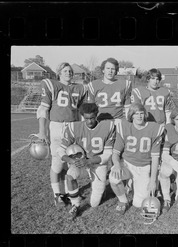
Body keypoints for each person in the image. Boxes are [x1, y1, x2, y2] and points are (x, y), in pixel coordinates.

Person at [36, 62, 88, 207]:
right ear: (59, 72)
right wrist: (42, 131)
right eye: (65, 71)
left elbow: (80, 111)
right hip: (57, 127)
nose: (68, 73)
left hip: (73, 127)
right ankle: (57, 194)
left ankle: (69, 193)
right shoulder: (52, 85)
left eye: (70, 71)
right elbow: (43, 110)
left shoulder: (79, 88)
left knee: (69, 163)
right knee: (57, 164)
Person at [57, 103, 115, 218]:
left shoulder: (107, 127)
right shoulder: (75, 127)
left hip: (98, 163)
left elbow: (108, 154)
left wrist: (89, 161)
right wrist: (71, 160)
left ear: (96, 115)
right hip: (80, 162)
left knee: (94, 203)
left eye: (92, 118)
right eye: (86, 118)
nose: (89, 121)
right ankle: (75, 204)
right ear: (82, 116)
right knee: (70, 176)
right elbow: (60, 150)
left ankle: (100, 192)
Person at [108, 103, 165, 214]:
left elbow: (155, 158)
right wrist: (117, 165)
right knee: (113, 177)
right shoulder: (124, 127)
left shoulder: (154, 129)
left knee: (139, 204)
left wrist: (153, 180)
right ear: (131, 116)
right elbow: (115, 153)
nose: (139, 116)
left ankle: (132, 184)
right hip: (127, 164)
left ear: (145, 115)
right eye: (136, 114)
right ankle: (123, 201)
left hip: (144, 167)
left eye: (141, 113)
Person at [86, 57, 132, 122]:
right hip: (100, 120)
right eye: (108, 68)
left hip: (118, 120)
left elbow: (127, 107)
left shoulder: (124, 84)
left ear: (116, 71)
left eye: (112, 69)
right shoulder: (93, 85)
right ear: (103, 70)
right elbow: (90, 109)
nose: (110, 71)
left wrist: (127, 123)